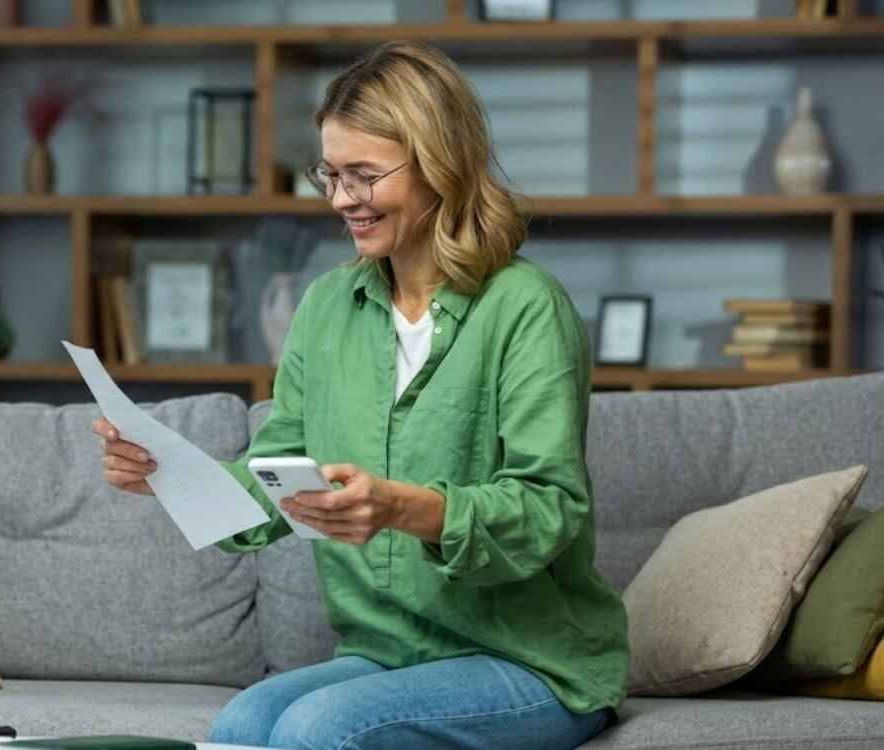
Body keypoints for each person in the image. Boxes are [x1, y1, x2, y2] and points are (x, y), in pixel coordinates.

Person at [92, 40, 628, 750]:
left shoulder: (526, 307)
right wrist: (169, 473)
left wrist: (399, 506)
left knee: (321, 729)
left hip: (527, 661)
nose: (342, 199)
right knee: (242, 726)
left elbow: (548, 507)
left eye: (364, 175)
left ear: (439, 163)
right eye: (330, 173)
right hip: (385, 652)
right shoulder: (326, 306)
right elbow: (276, 477)